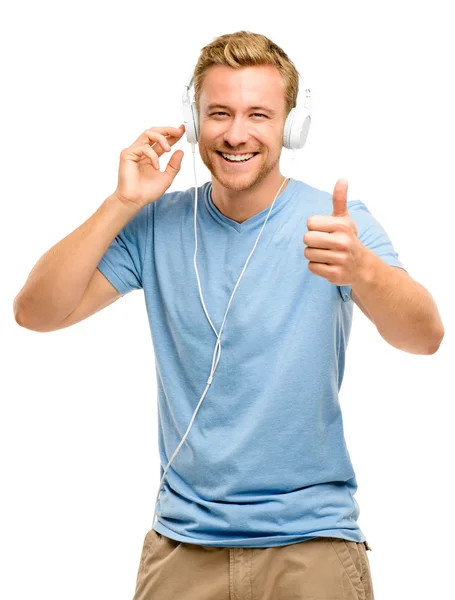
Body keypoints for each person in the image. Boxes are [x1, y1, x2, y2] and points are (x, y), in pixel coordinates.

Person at [14, 30, 444, 600]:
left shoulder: (336, 225)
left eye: (258, 114)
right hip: (182, 546)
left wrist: (362, 269)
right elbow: (36, 313)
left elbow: (426, 337)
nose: (236, 134)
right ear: (193, 121)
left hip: (311, 544)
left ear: (292, 126)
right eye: (219, 113)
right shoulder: (157, 224)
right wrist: (122, 203)